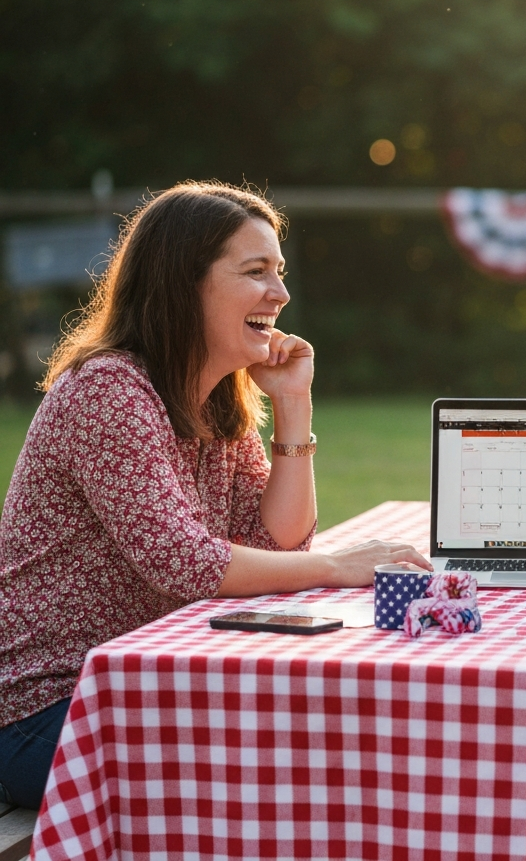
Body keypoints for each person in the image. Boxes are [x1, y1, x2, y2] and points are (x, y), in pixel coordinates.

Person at [0, 182, 430, 810]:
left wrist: (291, 402)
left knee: (318, 741)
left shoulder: (217, 398)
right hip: (48, 712)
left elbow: (276, 543)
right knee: (289, 765)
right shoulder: (106, 391)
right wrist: (340, 566)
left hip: (144, 683)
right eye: (256, 272)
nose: (280, 294)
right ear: (183, 284)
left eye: (279, 273)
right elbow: (187, 564)